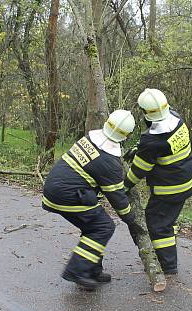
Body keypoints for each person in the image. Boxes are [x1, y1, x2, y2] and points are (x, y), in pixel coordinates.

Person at [42, 110, 141, 290]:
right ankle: (77, 271)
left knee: (93, 226)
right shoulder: (109, 162)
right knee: (103, 226)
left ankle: (92, 270)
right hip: (67, 195)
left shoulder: (90, 139)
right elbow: (117, 197)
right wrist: (131, 220)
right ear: (127, 135)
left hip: (54, 188)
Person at [124, 89, 192, 275]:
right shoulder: (176, 118)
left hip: (170, 188)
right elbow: (161, 147)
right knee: (166, 220)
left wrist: (125, 186)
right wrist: (138, 149)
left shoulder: (152, 141)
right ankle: (167, 254)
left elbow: (140, 169)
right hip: (186, 180)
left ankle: (168, 267)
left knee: (157, 224)